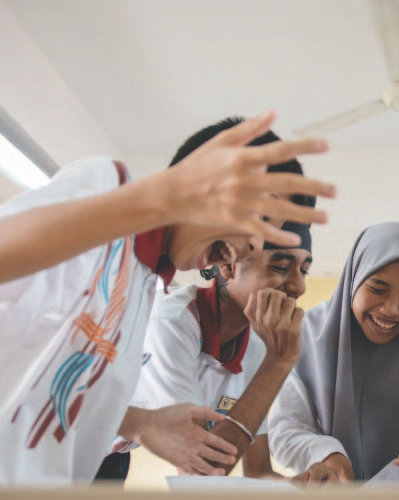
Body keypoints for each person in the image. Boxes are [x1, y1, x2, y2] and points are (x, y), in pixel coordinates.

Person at [0, 112, 335, 485]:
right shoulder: (109, 186)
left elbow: (59, 389)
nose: (248, 248)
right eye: (258, 221)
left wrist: (141, 423)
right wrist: (161, 199)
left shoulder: (143, 289)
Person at [96, 118, 334, 483]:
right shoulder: (167, 314)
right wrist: (280, 361)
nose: (299, 286)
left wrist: (299, 485)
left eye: (304, 269)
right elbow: (202, 471)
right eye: (280, 265)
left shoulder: (154, 280)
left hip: (102, 450)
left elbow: (256, 472)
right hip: (80, 447)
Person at [267, 222, 399, 482]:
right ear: (354, 278)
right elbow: (284, 431)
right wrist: (327, 453)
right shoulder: (305, 335)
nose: (390, 310)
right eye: (377, 289)